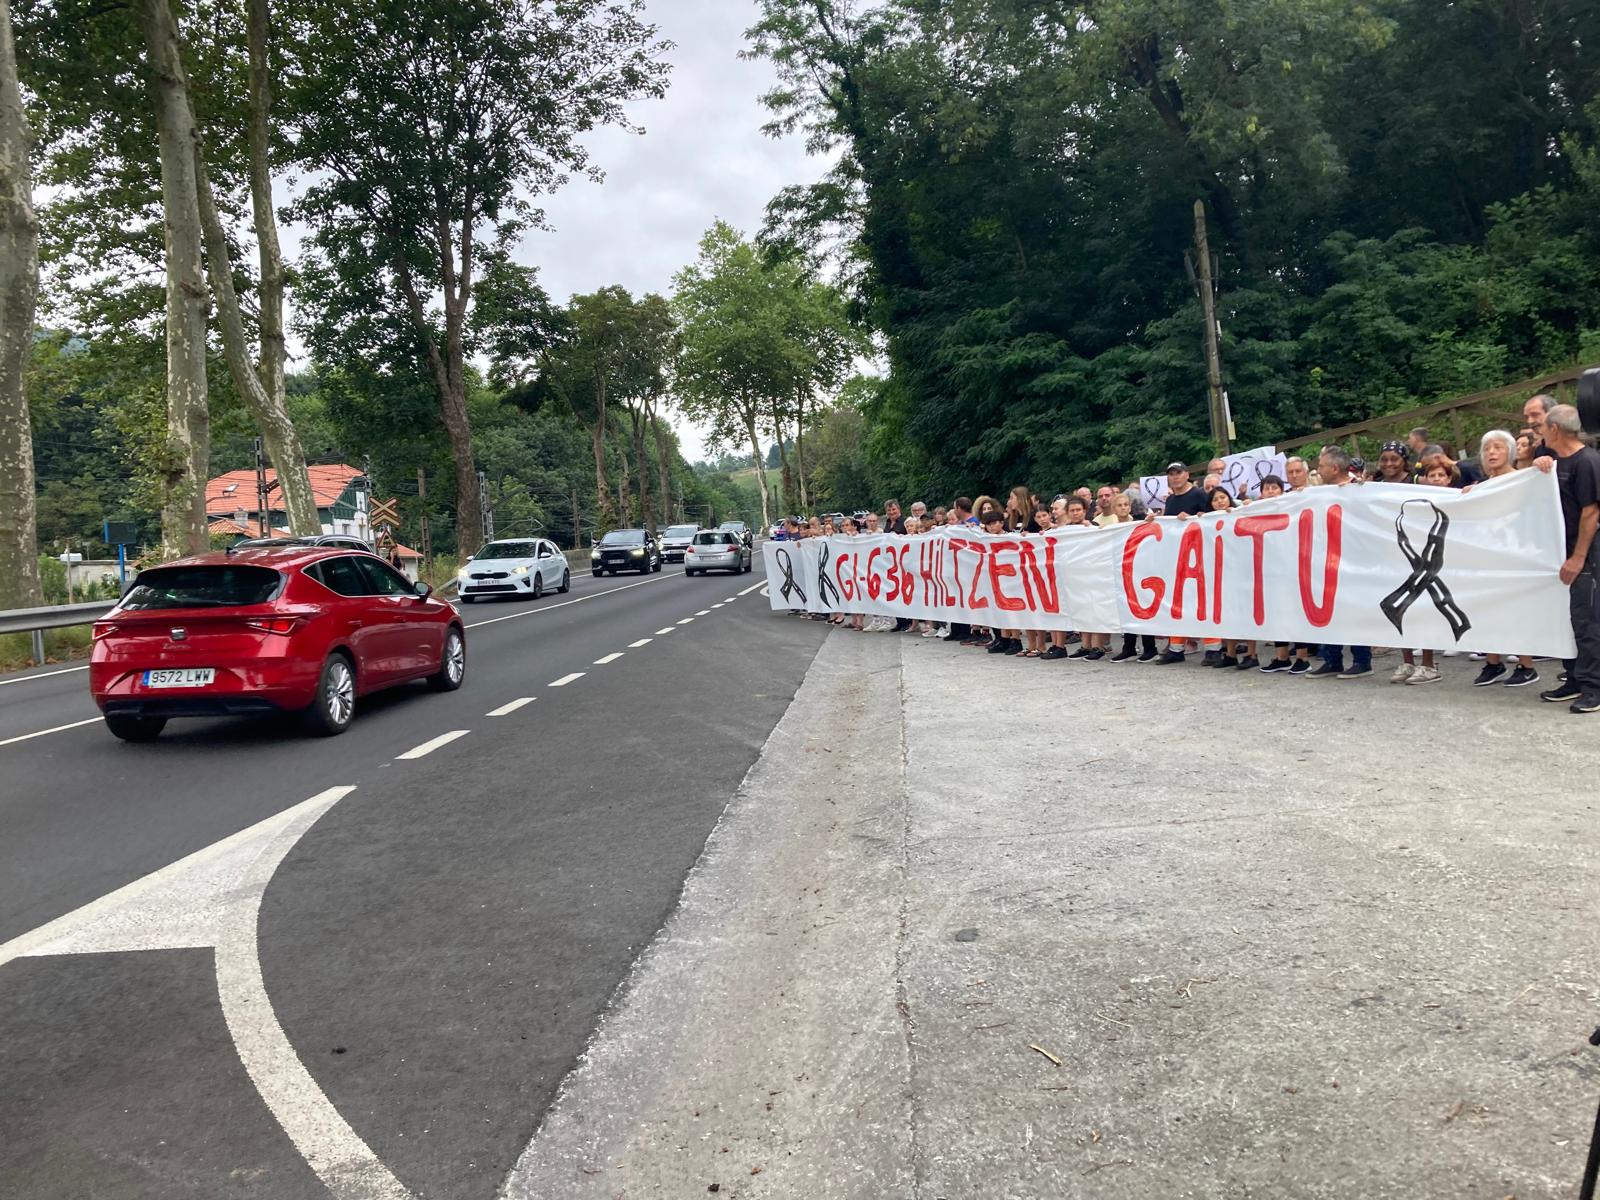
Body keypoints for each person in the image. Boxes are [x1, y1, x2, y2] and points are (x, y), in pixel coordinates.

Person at [1534, 404, 1600, 713]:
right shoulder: (1555, 460)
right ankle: (1574, 677)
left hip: (1585, 555)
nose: (1540, 432)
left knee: (1588, 621)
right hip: (1560, 554)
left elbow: (1591, 511)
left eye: (1544, 427)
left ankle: (1593, 687)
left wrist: (1578, 557)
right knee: (1567, 619)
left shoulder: (1586, 461)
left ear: (1556, 429)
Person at [1308, 445, 1373, 678]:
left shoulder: (1359, 489)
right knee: (1330, 611)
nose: (1318, 469)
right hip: (1328, 559)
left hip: (1354, 559)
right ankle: (1332, 659)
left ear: (1335, 468)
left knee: (1353, 610)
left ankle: (1362, 661)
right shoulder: (1320, 493)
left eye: (1322, 465)